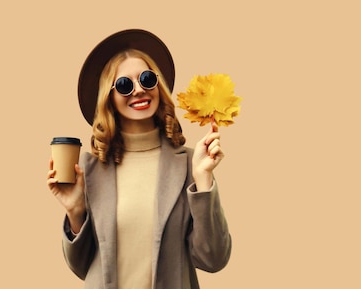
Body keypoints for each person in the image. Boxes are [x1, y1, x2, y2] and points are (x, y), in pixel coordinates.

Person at [47, 29, 232, 289]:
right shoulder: (88, 168)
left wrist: (203, 181)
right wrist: (75, 211)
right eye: (124, 84)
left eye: (147, 79)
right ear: (108, 97)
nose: (138, 91)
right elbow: (81, 267)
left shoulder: (190, 164)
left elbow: (213, 259)